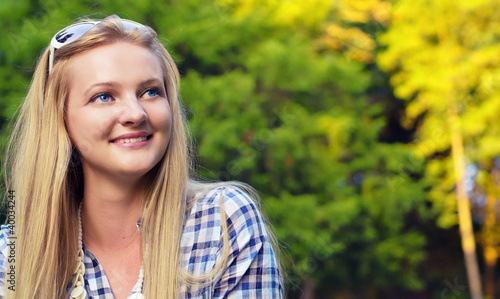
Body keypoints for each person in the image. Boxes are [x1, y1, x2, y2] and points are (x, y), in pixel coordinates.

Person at [0, 15, 283, 298]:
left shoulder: (222, 222)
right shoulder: (10, 256)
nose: (136, 114)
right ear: (61, 119)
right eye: (104, 96)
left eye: (150, 92)